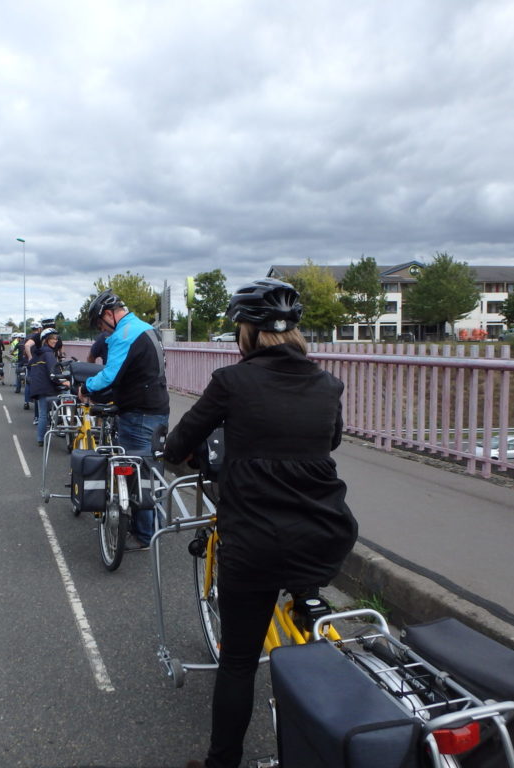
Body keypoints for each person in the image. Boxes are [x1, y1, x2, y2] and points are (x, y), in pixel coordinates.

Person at [163, 278, 358, 768]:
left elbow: (178, 446)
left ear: (246, 333)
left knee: (239, 662)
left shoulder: (232, 382)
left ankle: (222, 763)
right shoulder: (327, 383)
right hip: (325, 533)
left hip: (255, 541)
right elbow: (328, 442)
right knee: (309, 611)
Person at [83, 290, 169, 549]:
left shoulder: (123, 333)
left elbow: (109, 375)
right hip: (157, 408)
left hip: (139, 413)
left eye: (100, 324)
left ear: (109, 314)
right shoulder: (144, 328)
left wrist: (86, 387)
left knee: (137, 473)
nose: (103, 331)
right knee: (152, 470)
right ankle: (155, 528)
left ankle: (143, 535)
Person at [28, 327, 63, 446]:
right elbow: (54, 373)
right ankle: (65, 428)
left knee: (42, 414)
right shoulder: (48, 354)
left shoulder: (37, 354)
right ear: (46, 340)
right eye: (52, 338)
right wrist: (64, 382)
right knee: (68, 398)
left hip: (38, 390)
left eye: (56, 338)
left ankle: (40, 439)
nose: (55, 341)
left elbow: (31, 366)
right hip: (48, 389)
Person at [22, 322, 41, 410]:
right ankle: (38, 403)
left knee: (28, 382)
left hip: (29, 363)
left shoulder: (27, 337)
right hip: (39, 362)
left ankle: (26, 402)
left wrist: (29, 357)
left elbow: (25, 350)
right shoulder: (40, 337)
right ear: (39, 329)